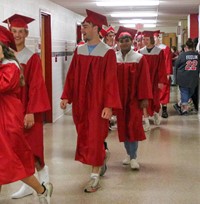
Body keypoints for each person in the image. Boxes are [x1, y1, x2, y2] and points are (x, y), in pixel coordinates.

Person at [60, 10, 121, 193]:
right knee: (85, 135)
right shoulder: (79, 50)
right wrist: (65, 96)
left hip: (98, 104)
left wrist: (109, 105)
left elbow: (111, 81)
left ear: (96, 28)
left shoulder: (107, 53)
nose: (82, 30)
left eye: (85, 27)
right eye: (81, 27)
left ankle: (94, 178)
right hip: (81, 103)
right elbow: (71, 76)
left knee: (94, 137)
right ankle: (101, 156)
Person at [0, 25, 53, 204]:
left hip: (10, 115)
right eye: (14, 31)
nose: (17, 35)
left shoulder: (12, 65)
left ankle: (41, 188)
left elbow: (34, 86)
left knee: (14, 158)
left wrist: (31, 111)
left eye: (20, 31)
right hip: (3, 115)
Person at [114, 27, 152, 170]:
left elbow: (144, 80)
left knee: (133, 126)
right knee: (123, 126)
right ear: (118, 42)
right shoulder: (114, 57)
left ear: (132, 41)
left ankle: (134, 156)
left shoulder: (139, 58)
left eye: (127, 40)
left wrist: (144, 98)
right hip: (119, 99)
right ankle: (128, 154)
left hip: (134, 99)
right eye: (122, 41)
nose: (124, 43)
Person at [140, 31, 167, 131]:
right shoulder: (141, 51)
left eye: (147, 39)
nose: (145, 41)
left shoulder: (159, 51)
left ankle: (156, 113)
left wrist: (161, 81)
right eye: (144, 39)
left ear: (151, 39)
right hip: (144, 80)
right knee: (144, 100)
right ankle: (146, 122)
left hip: (155, 79)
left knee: (155, 99)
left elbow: (162, 67)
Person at [173, 38, 200, 115]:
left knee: (184, 93)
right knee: (190, 92)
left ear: (186, 47)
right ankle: (181, 105)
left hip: (183, 78)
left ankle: (183, 109)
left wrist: (175, 78)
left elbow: (176, 66)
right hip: (193, 78)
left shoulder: (182, 55)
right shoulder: (197, 55)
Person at [154, 30, 172, 118]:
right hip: (154, 74)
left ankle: (164, 110)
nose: (154, 40)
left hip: (163, 73)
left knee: (164, 91)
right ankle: (155, 110)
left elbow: (168, 61)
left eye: (155, 38)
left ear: (158, 38)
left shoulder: (165, 48)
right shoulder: (150, 49)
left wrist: (168, 73)